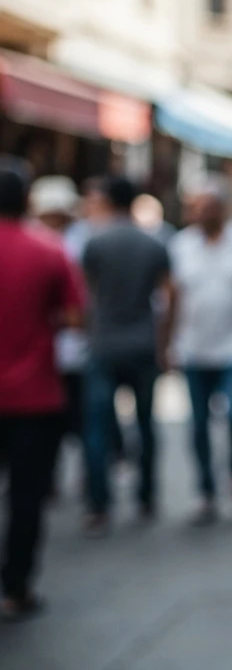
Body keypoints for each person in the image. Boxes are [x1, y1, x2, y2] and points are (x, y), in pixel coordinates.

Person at [0, 158, 85, 618]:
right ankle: (16, 587)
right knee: (27, 496)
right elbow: (75, 319)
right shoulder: (50, 251)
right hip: (34, 394)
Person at [167, 177, 232, 523]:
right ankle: (206, 488)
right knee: (197, 424)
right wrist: (167, 344)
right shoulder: (181, 246)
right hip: (193, 348)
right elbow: (173, 298)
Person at [81, 176, 171, 533]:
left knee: (99, 429)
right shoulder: (153, 244)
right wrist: (164, 344)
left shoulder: (95, 243)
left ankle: (99, 503)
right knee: (146, 426)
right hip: (143, 343)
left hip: (104, 343)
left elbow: (86, 295)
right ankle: (146, 495)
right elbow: (167, 299)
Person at [29, 176, 89, 472]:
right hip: (39, 351)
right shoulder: (37, 244)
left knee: (73, 415)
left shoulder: (77, 243)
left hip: (70, 349)